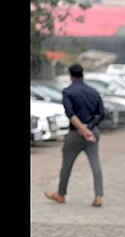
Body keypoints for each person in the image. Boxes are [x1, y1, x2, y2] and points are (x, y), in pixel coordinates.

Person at [45, 63, 105, 207]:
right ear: (82, 73)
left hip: (75, 134)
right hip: (93, 133)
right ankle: (99, 196)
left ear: (70, 75)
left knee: (67, 165)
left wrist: (82, 130)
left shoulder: (68, 92)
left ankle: (60, 195)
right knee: (95, 164)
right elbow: (102, 114)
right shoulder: (94, 91)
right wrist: (89, 128)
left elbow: (70, 114)